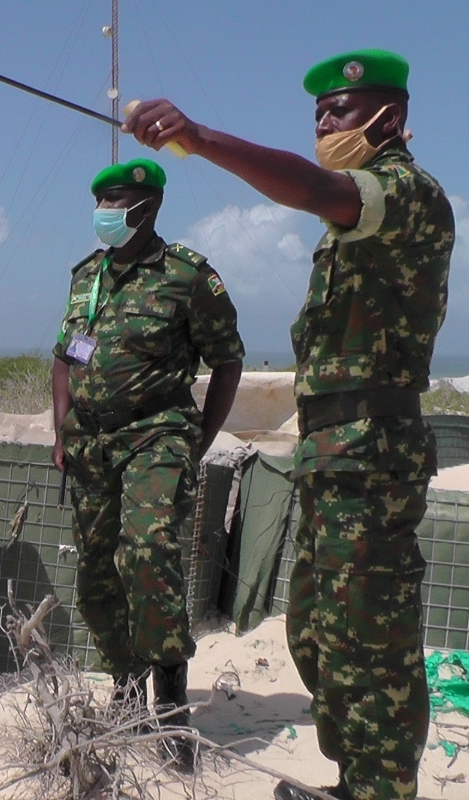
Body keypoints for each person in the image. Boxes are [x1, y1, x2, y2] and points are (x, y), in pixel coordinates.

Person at [123, 50, 453, 800]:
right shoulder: (357, 221)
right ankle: (354, 779)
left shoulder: (407, 194)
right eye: (318, 113)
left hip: (374, 452)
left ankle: (382, 789)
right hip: (337, 451)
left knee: (372, 637)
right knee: (315, 629)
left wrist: (200, 139)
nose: (324, 122)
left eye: (339, 110)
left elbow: (312, 188)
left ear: (389, 118)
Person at [51, 159, 244, 770]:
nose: (105, 210)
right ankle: (126, 689)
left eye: (118, 200)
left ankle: (170, 703)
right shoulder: (87, 277)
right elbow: (64, 355)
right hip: (91, 446)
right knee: (96, 578)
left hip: (156, 437)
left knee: (147, 552)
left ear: (148, 206)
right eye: (101, 199)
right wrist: (61, 425)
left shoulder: (187, 275)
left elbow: (228, 360)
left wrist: (198, 438)